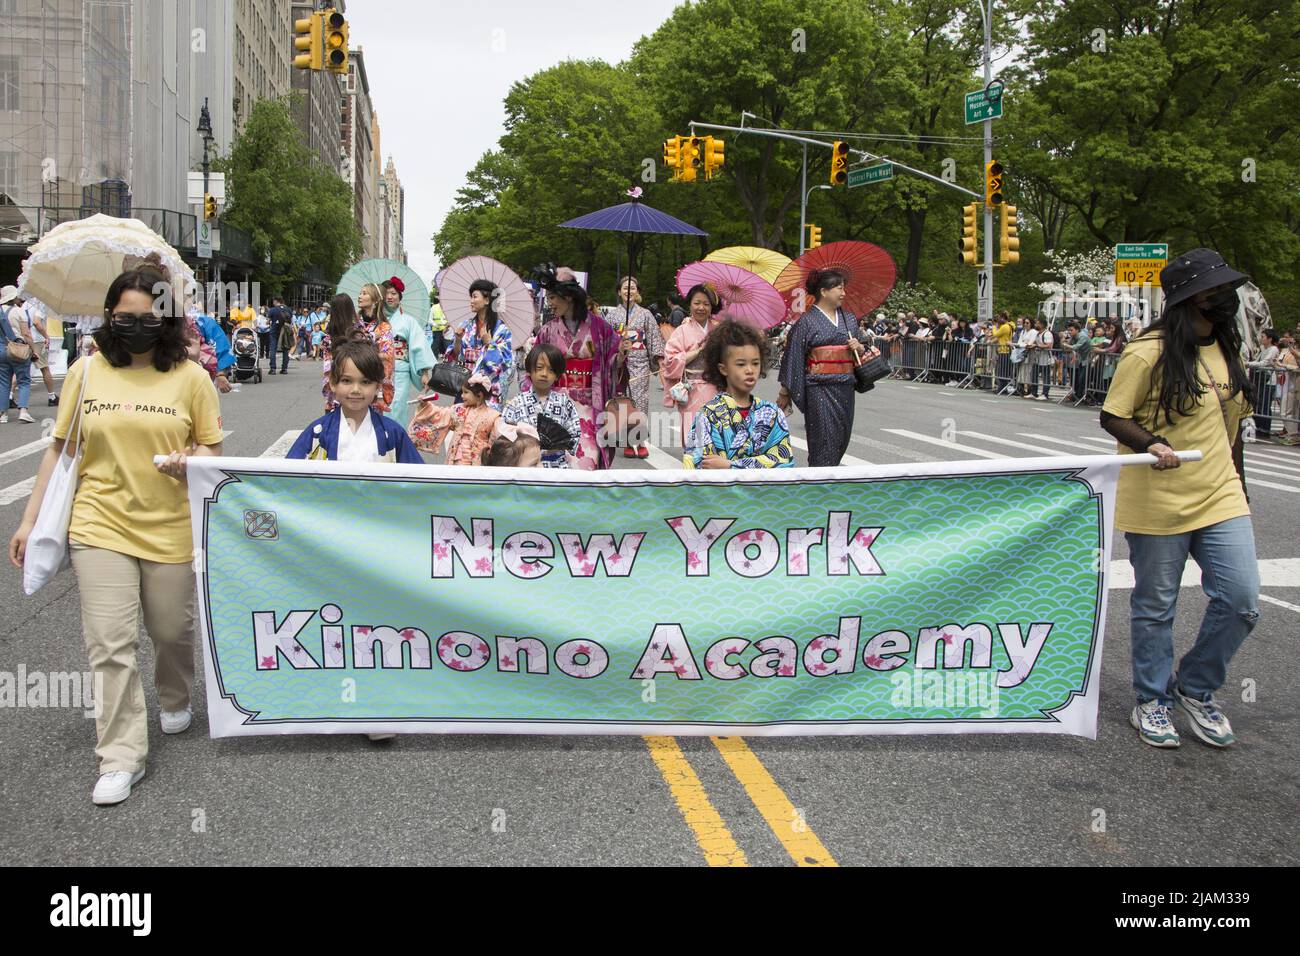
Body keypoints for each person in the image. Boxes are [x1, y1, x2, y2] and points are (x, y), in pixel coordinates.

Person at [8, 264, 224, 805]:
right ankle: (121, 755)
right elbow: (61, 449)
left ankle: (176, 696)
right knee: (109, 642)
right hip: (98, 524)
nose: (135, 326)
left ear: (167, 320)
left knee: (171, 631)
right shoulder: (86, 372)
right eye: (124, 317)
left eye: (148, 317)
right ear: (108, 318)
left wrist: (187, 461)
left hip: (170, 527)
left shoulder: (192, 379)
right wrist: (29, 521)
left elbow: (211, 449)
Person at [1100, 248, 1259, 750]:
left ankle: (1195, 687)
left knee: (1241, 602)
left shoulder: (1226, 349)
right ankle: (1151, 698)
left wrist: (1240, 484)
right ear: (1192, 299)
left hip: (1221, 494)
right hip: (1158, 498)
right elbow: (1112, 414)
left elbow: (1231, 429)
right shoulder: (1148, 351)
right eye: (1217, 291)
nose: (1227, 298)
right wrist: (1151, 444)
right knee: (1156, 607)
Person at [776, 269, 867, 467]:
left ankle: (828, 481)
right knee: (823, 440)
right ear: (824, 291)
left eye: (844, 288)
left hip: (845, 387)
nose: (843, 292)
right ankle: (820, 487)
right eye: (839, 288)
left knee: (841, 438)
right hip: (819, 389)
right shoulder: (807, 322)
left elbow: (863, 347)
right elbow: (794, 357)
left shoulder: (849, 319)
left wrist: (858, 346)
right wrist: (785, 391)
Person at [530, 267, 619, 468]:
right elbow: (534, 366)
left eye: (553, 298)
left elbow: (613, 360)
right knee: (554, 458)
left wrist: (620, 354)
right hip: (555, 401)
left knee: (587, 459)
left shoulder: (600, 327)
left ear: (568, 296)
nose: (550, 303)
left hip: (590, 402)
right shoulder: (547, 331)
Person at [287, 339, 422, 464]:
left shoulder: (393, 433)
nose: (356, 389)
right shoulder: (318, 432)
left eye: (365, 382)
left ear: (378, 386)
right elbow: (288, 475)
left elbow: (418, 478)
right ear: (333, 383)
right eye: (346, 381)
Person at [686, 316, 793, 469]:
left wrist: (732, 465)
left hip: (761, 493)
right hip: (722, 493)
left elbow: (784, 461)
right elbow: (695, 463)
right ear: (723, 368)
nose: (750, 370)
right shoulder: (708, 414)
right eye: (741, 364)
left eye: (755, 363)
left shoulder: (772, 413)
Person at [663, 284, 727, 447]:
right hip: (692, 389)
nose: (701, 307)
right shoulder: (682, 330)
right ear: (690, 304)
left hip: (716, 388)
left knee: (716, 434)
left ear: (712, 307)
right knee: (694, 434)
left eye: (706, 304)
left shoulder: (719, 330)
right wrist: (698, 351)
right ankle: (693, 467)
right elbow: (670, 361)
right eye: (697, 303)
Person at [500, 343, 580, 468]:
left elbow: (574, 434)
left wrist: (560, 446)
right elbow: (504, 434)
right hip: (525, 466)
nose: (544, 373)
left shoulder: (565, 403)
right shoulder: (516, 403)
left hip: (558, 467)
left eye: (551, 370)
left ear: (557, 375)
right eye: (539, 367)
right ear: (530, 370)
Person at [610, 276, 664, 458]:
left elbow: (654, 338)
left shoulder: (646, 315)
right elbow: (607, 340)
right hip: (620, 362)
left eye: (632, 288)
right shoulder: (612, 315)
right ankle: (626, 441)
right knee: (624, 402)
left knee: (640, 403)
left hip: (639, 363)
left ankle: (640, 440)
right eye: (625, 288)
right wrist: (618, 348)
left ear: (638, 292)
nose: (629, 291)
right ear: (619, 292)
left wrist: (657, 358)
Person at [447, 278, 514, 409]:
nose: (471, 301)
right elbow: (455, 356)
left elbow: (505, 362)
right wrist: (458, 340)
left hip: (488, 387)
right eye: (470, 297)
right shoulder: (465, 325)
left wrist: (489, 343)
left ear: (487, 300)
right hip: (465, 384)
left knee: (485, 425)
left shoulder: (501, 329)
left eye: (474, 296)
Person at [409, 375, 501, 465]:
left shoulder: (493, 416)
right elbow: (440, 415)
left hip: (479, 460)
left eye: (466, 392)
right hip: (455, 457)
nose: (461, 396)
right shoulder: (459, 410)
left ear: (479, 395)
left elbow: (496, 440)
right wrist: (425, 405)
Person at [380, 277, 434, 428]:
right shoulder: (376, 319)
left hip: (399, 370)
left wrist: (424, 372)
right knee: (376, 408)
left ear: (400, 297)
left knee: (396, 408)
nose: (389, 297)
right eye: (387, 293)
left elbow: (419, 346)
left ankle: (396, 445)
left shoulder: (408, 321)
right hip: (377, 370)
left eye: (394, 293)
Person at [0, 286, 37, 423]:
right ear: (13, 297)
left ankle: (3, 414)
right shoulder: (19, 311)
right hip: (18, 349)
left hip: (1, 350)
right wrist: (33, 350)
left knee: (4, 382)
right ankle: (23, 410)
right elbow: (26, 333)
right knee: (24, 380)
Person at [1247, 329, 1281, 440]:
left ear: (1270, 339)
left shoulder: (1273, 349)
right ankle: (1259, 426)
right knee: (1260, 403)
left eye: (1263, 336)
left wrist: (1248, 364)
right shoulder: (1264, 349)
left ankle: (1265, 428)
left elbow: (1264, 363)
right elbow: (1259, 361)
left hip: (1269, 381)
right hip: (1261, 380)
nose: (1261, 338)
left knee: (1265, 404)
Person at [1027, 316, 1054, 401]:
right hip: (1038, 359)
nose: (1035, 324)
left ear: (1042, 325)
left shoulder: (1047, 334)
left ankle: (1045, 394)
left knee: (1046, 377)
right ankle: (1034, 392)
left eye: (1037, 323)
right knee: (1033, 374)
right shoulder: (1038, 334)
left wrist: (1037, 345)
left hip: (1046, 359)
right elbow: (1035, 342)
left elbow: (1049, 345)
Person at [266, 297, 292, 375]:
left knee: (273, 348)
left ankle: (273, 368)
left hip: (275, 331)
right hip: (285, 331)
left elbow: (268, 321)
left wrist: (269, 322)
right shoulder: (288, 309)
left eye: (274, 301)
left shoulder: (273, 310)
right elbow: (291, 319)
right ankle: (284, 369)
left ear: (276, 301)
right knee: (285, 348)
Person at [427, 293, 448, 359]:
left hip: (447, 331)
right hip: (437, 330)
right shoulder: (434, 307)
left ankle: (447, 361)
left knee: (447, 346)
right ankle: (433, 360)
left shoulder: (448, 307)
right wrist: (435, 325)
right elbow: (429, 319)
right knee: (435, 346)